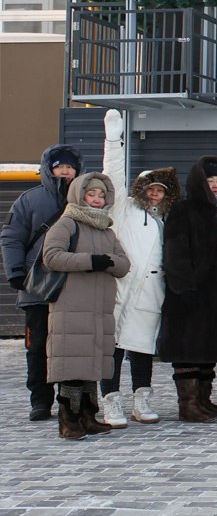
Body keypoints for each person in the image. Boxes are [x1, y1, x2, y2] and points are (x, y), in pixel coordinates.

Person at [99, 110, 179, 427]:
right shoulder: (124, 208)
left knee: (143, 348)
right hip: (121, 288)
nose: (154, 194)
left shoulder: (166, 219)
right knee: (113, 348)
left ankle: (141, 398)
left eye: (160, 190)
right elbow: (112, 176)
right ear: (141, 189)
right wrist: (113, 140)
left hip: (150, 293)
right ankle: (110, 401)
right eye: (150, 189)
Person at [42, 173, 131, 439]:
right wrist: (92, 261)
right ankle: (68, 420)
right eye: (91, 194)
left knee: (92, 364)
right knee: (72, 365)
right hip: (71, 306)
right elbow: (52, 256)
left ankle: (88, 416)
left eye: (101, 195)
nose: (96, 199)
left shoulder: (106, 230)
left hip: (99, 310)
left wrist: (108, 262)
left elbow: (124, 264)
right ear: (79, 196)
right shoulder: (67, 223)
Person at [2, 143, 81, 421]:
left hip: (73, 287)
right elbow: (12, 237)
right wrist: (15, 272)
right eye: (60, 167)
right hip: (36, 286)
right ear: (49, 170)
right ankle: (40, 400)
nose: (65, 171)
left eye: (70, 167)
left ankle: (69, 399)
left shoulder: (86, 199)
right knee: (37, 347)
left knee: (71, 347)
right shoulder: (29, 200)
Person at [160, 156, 217, 422]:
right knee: (188, 351)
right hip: (188, 294)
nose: (215, 185)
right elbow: (174, 252)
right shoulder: (183, 210)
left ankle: (203, 399)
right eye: (210, 180)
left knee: (206, 350)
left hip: (214, 295)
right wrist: (185, 288)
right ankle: (188, 404)